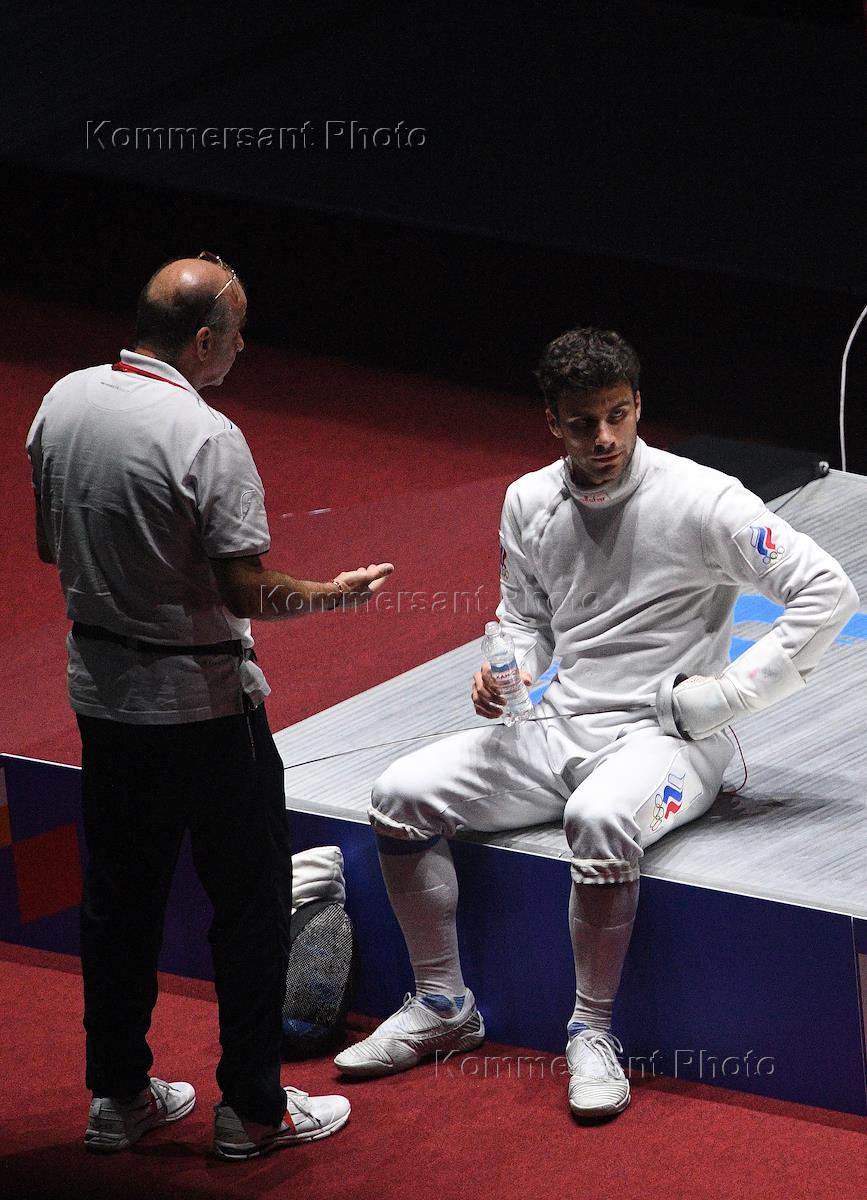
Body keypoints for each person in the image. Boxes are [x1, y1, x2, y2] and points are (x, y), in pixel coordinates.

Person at [333, 326, 858, 1121]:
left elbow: (826, 593)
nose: (604, 437)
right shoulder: (527, 500)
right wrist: (507, 673)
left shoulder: (703, 498)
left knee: (600, 816)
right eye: (583, 422)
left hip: (668, 740)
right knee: (398, 794)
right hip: (560, 724)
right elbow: (523, 616)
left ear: (638, 404)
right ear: (552, 421)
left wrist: (720, 700)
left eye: (618, 415)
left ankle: (591, 1032)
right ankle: (443, 1006)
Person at [26, 253, 393, 1159]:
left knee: (118, 902)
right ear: (201, 340)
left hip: (104, 701)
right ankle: (254, 1112)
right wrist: (333, 595)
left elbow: (49, 547)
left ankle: (118, 1097)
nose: (242, 348)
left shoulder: (60, 401)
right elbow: (245, 590)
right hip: (206, 709)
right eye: (236, 334)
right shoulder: (207, 434)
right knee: (251, 905)